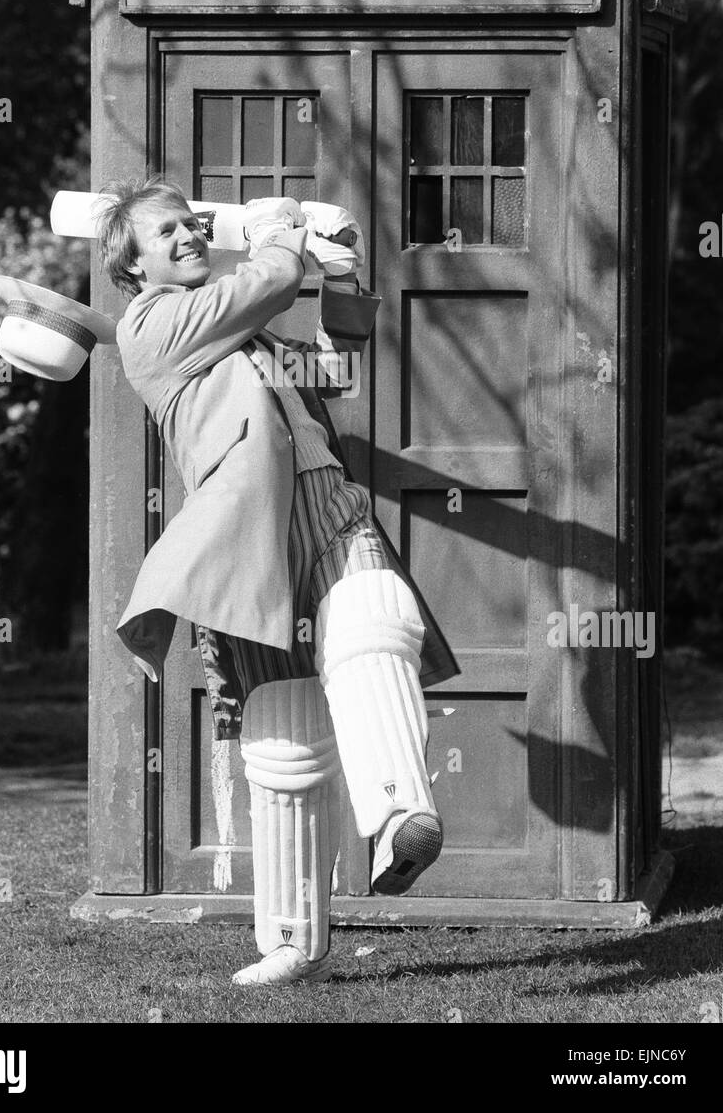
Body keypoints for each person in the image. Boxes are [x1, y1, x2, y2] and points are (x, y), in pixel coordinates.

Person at [97, 175, 459, 986]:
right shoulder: (151, 327)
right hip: (251, 541)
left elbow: (340, 364)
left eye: (193, 224)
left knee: (376, 623)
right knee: (288, 739)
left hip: (326, 501)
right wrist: (285, 223)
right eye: (166, 235)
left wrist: (344, 279)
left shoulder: (244, 337)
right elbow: (262, 281)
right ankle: (292, 944)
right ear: (134, 269)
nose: (189, 236)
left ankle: (401, 812)